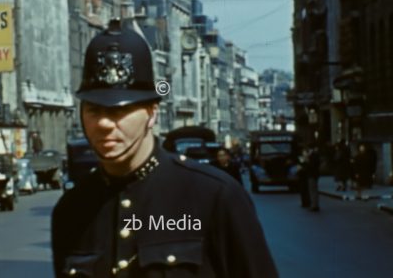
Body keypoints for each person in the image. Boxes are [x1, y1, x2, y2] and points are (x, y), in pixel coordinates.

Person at [51, 19, 278, 277]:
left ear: (151, 113)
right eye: (94, 109)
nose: (104, 123)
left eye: (120, 110)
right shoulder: (71, 210)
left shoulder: (214, 196)